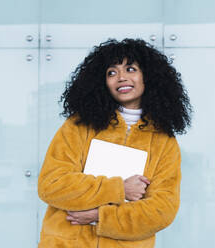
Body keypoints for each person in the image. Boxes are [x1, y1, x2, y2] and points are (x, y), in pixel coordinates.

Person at [37, 38, 192, 248]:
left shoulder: (164, 141)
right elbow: (51, 185)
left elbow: (162, 210)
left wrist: (100, 215)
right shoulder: (78, 125)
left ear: (149, 76)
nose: (121, 77)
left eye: (130, 69)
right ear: (101, 82)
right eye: (111, 72)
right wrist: (120, 189)